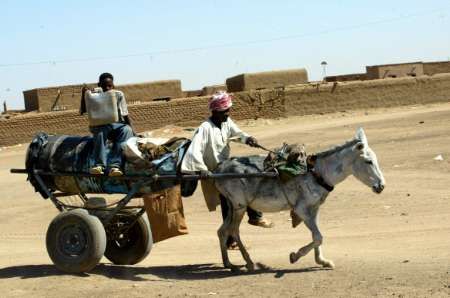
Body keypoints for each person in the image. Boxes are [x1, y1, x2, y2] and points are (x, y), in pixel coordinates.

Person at [181, 91, 273, 249]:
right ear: (216, 112)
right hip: (215, 172)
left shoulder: (226, 122)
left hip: (227, 166)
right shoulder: (205, 128)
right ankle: (248, 223)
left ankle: (248, 223)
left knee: (242, 185)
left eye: (228, 111)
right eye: (225, 111)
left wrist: (247, 139)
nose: (228, 114)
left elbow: (237, 134)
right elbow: (194, 151)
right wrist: (202, 169)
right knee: (233, 197)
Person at [80, 72, 134, 176]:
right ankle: (99, 165)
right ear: (99, 85)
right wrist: (84, 95)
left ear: (113, 85)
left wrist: (134, 132)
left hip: (117, 126)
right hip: (100, 126)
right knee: (100, 132)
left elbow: (125, 114)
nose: (108, 88)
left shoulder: (118, 94)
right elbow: (83, 110)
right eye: (105, 86)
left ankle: (115, 166)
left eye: (110, 85)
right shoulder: (93, 95)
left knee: (127, 130)